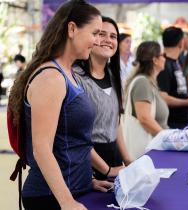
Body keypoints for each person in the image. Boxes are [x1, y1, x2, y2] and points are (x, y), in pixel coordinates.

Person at [9, 1, 120, 210]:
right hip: (50, 198)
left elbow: (75, 142)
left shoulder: (70, 75)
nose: (97, 41)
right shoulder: (51, 77)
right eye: (95, 33)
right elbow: (42, 149)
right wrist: (67, 201)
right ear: (71, 29)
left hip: (76, 190)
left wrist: (90, 181)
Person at [74, 16, 132, 179]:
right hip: (86, 164)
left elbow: (115, 122)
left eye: (113, 36)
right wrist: (106, 170)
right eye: (101, 34)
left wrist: (127, 159)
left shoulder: (115, 77)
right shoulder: (75, 77)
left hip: (114, 160)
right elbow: (75, 135)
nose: (108, 40)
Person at [124, 41, 169, 159]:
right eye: (162, 55)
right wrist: (167, 138)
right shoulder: (142, 82)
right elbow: (144, 118)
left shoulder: (148, 82)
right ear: (155, 60)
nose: (165, 58)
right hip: (147, 153)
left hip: (153, 150)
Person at [157, 26, 188, 129]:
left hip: (182, 120)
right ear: (181, 43)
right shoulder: (164, 65)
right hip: (171, 124)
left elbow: (178, 91)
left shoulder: (177, 62)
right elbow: (163, 98)